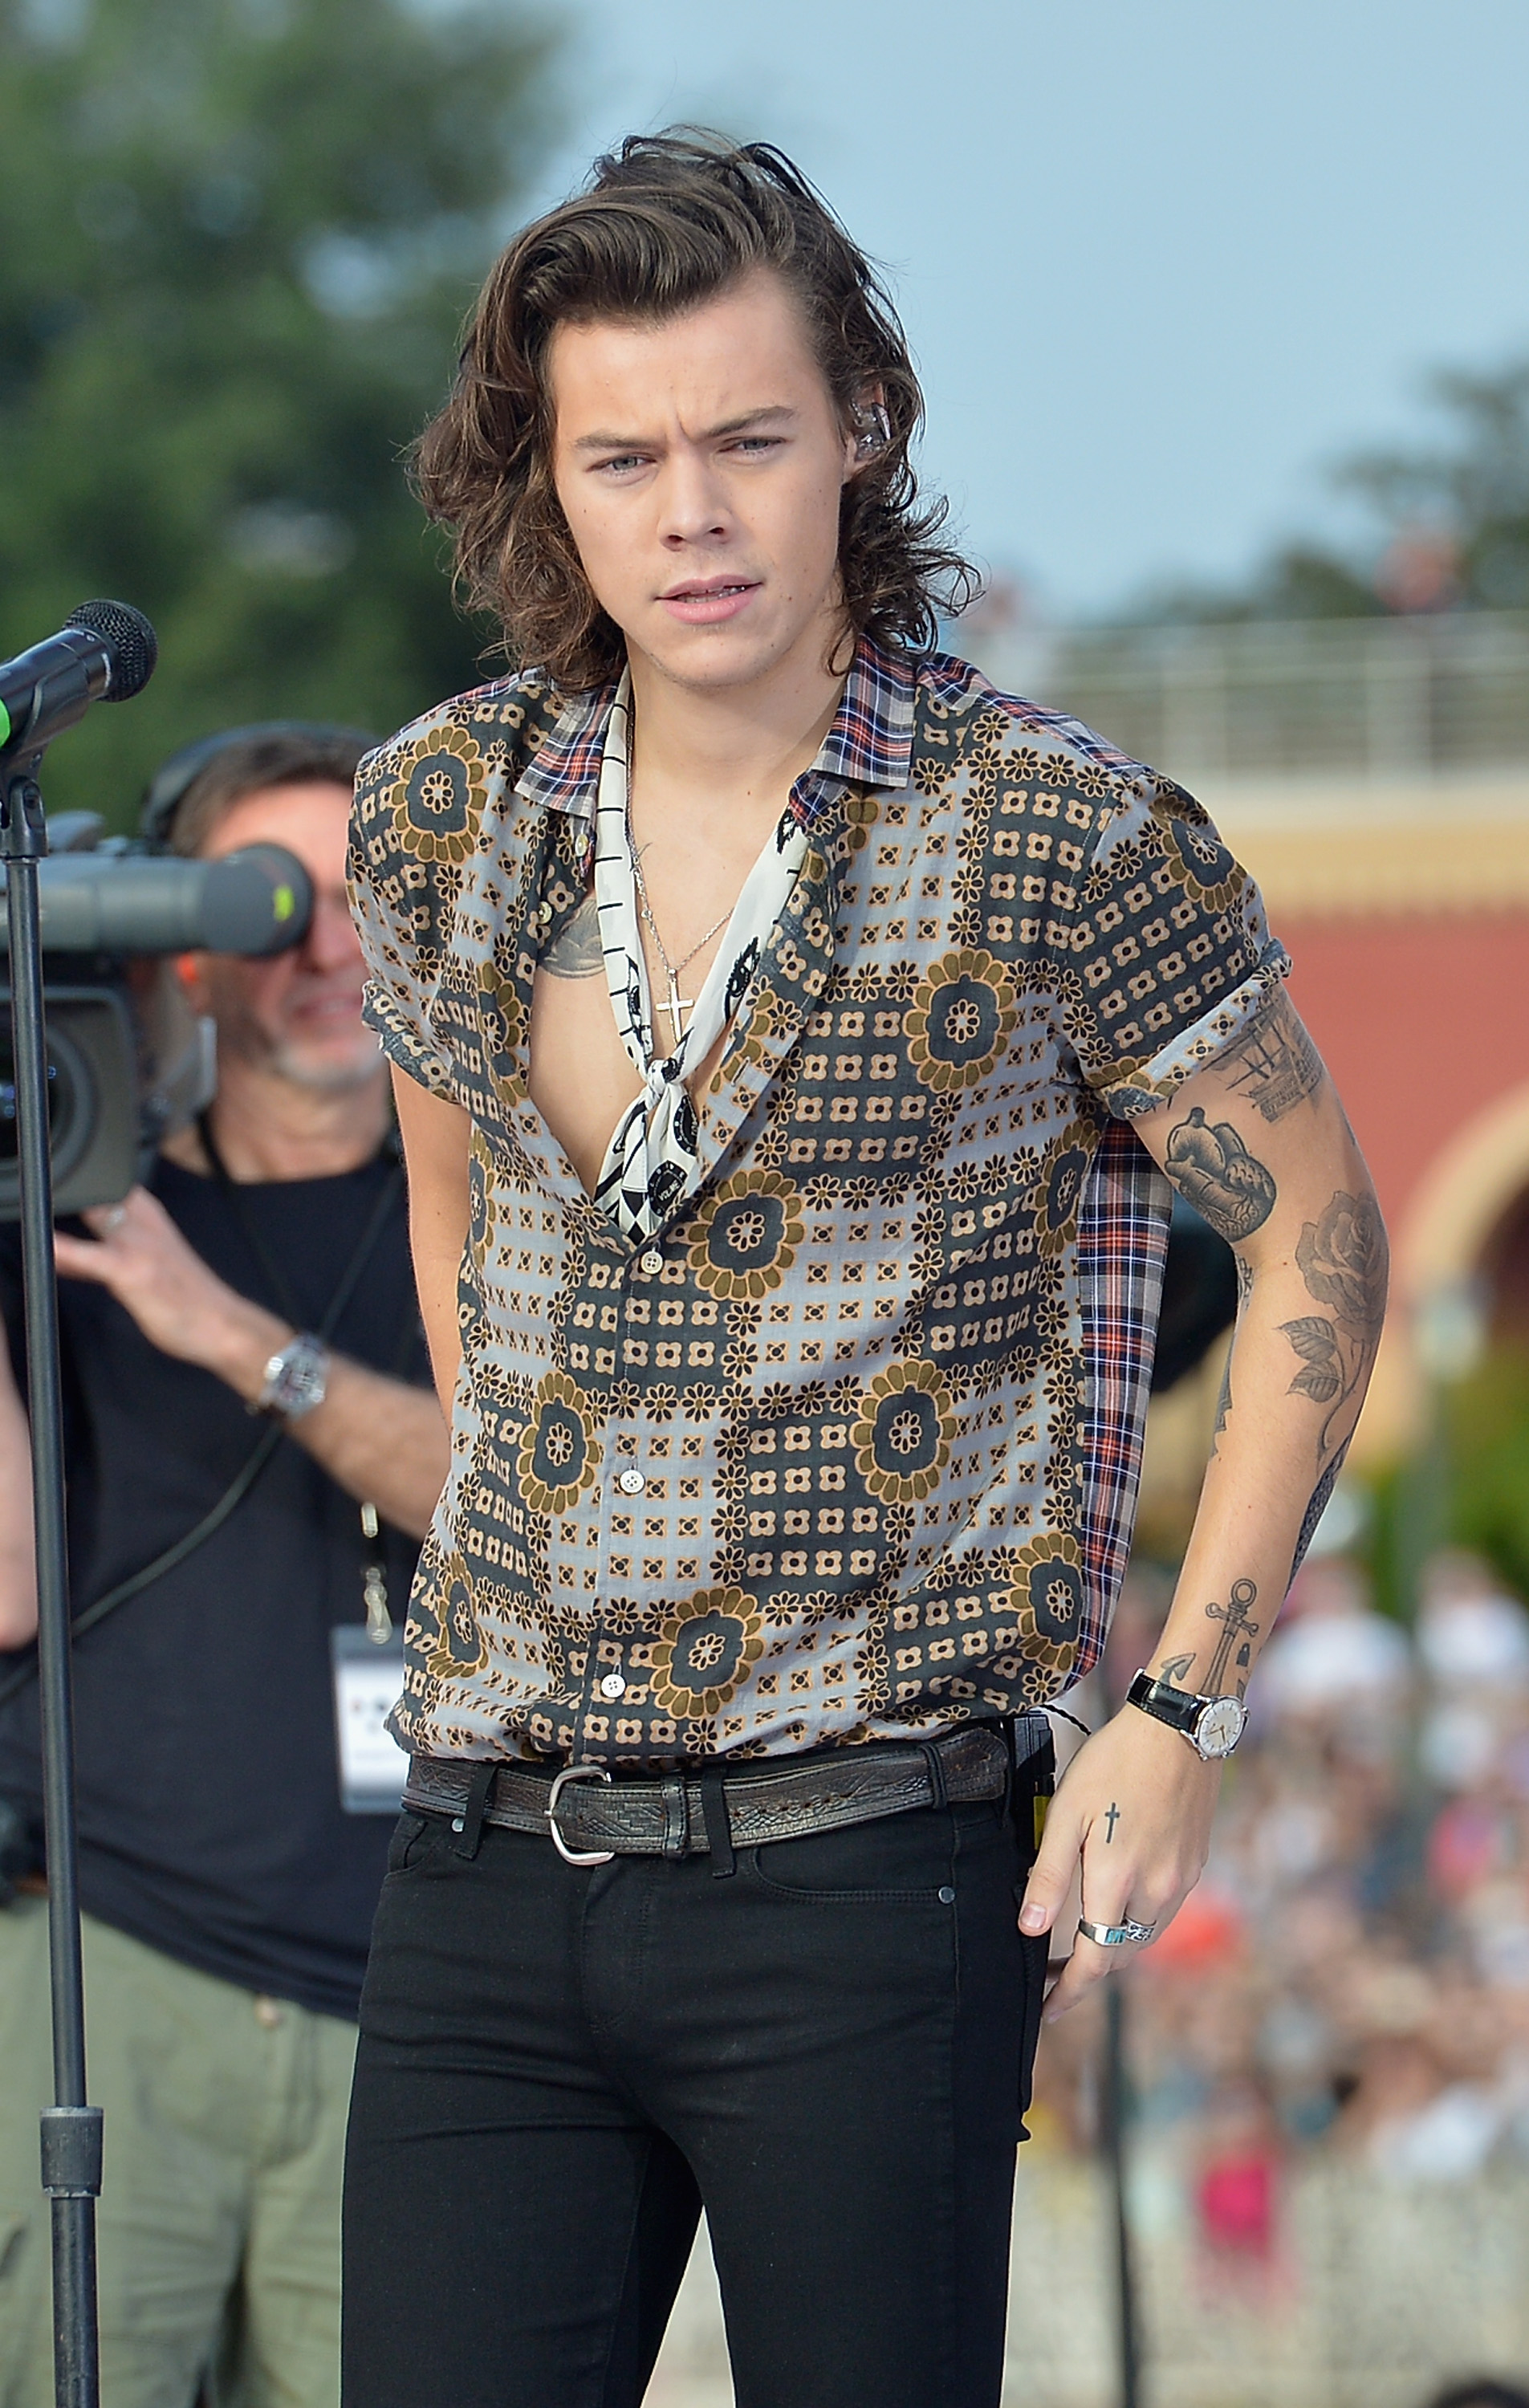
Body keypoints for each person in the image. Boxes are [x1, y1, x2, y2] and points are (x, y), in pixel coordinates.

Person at [342, 133, 1386, 2408]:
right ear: (548, 478)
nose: (689, 513)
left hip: (865, 1871)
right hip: (485, 1862)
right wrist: (526, 1545)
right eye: (623, 456)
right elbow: (455, 1212)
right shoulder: (438, 816)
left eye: (746, 439)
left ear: (858, 437)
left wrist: (1180, 1707)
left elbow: (1315, 1222)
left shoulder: (1049, 827)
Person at [0, 726, 450, 2408]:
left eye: (373, 899)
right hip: (113, 1973)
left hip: (421, 1999)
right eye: (276, 907)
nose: (331, 951)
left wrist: (243, 1342)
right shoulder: (68, 1215)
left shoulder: (494, 1218)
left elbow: (529, 1524)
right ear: (177, 940)